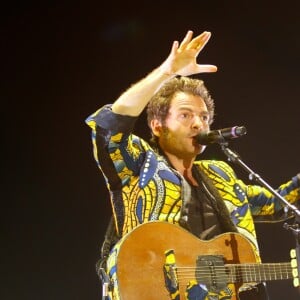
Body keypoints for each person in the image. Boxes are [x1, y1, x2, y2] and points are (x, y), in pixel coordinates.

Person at [85, 30, 300, 300]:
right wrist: (167, 71)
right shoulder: (139, 162)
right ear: (157, 125)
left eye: (204, 117)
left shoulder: (221, 175)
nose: (198, 124)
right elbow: (109, 125)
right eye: (185, 115)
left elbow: (281, 203)